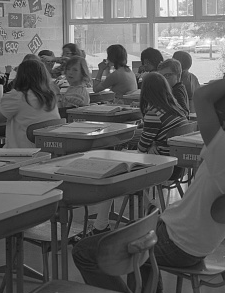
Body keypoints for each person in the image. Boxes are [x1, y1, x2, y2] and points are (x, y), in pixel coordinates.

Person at [72, 72, 225, 293]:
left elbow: (202, 95)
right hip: (197, 242)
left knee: (84, 251)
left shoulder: (224, 154)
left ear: (222, 122)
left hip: (177, 242)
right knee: (142, 240)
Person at [74, 71, 192, 243]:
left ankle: (101, 226)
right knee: (119, 164)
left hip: (160, 165)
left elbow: (142, 149)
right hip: (177, 165)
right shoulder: (176, 108)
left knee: (111, 170)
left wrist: (143, 138)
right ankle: (148, 207)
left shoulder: (154, 113)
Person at [0, 57, 59, 148]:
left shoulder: (19, 96)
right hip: (45, 151)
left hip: (21, 152)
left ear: (20, 76)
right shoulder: (51, 96)